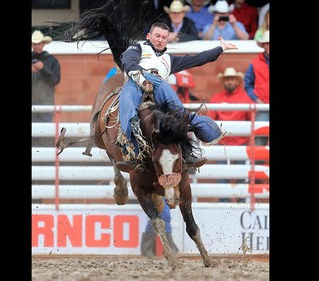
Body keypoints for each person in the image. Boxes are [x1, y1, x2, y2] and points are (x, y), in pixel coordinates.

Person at [115, 22, 238, 173]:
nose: (160, 40)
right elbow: (128, 61)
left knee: (179, 115)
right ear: (149, 36)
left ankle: (189, 151)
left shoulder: (169, 60)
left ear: (168, 40)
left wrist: (221, 48)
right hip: (136, 82)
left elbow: (197, 59)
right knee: (129, 107)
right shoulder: (138, 47)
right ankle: (130, 150)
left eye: (164, 37)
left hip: (158, 84)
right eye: (157, 36)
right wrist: (141, 79)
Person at [208, 67, 255, 202]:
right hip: (222, 144)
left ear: (237, 81)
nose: (229, 82)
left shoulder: (245, 98)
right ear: (224, 81)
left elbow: (251, 119)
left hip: (241, 145)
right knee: (222, 175)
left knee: (242, 176)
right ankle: (224, 204)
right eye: (227, 79)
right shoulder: (217, 98)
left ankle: (241, 203)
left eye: (232, 79)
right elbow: (211, 120)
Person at [244, 30, 269, 147]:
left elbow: (247, 85)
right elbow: (247, 85)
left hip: (262, 107)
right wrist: (256, 99)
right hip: (262, 106)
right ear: (264, 45)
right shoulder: (254, 63)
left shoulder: (254, 63)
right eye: (268, 43)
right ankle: (258, 164)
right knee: (259, 140)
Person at [32, 30, 61, 122]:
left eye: (39, 43)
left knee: (45, 132)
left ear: (43, 44)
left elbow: (55, 80)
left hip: (46, 103)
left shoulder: (52, 60)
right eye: (34, 44)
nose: (36, 46)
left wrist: (43, 69)